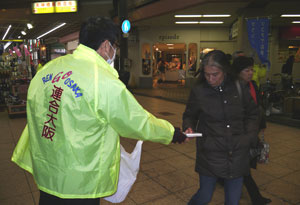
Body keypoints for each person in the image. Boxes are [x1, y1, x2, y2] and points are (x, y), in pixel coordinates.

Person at [11, 17, 187, 205]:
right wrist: (170, 133)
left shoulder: (48, 70)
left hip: (47, 172)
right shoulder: (102, 80)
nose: (115, 52)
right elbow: (137, 121)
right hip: (79, 182)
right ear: (105, 45)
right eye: (115, 46)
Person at [182, 50, 259, 205]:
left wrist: (248, 137)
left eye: (215, 74)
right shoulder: (199, 91)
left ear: (225, 70)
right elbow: (189, 115)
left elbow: (253, 114)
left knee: (233, 201)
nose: (210, 79)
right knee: (204, 196)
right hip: (210, 154)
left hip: (237, 152)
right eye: (206, 74)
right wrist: (189, 127)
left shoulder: (238, 87)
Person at [232, 56, 272, 205]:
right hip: (239, 134)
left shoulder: (253, 85)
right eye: (246, 70)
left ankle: (222, 178)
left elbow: (258, 107)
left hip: (252, 131)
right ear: (238, 72)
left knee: (244, 164)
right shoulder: (232, 88)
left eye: (252, 70)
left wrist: (262, 126)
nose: (250, 73)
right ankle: (256, 197)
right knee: (243, 167)